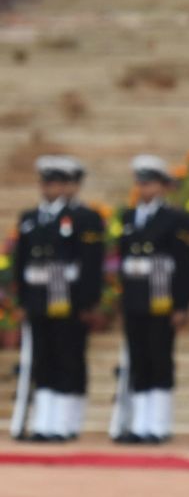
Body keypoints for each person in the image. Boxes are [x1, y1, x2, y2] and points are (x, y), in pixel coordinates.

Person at [9, 156, 104, 442]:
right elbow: (20, 263)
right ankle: (44, 421)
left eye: (57, 183)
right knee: (43, 359)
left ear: (70, 186)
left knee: (68, 357)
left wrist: (88, 303)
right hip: (38, 298)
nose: (50, 188)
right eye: (47, 182)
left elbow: (91, 264)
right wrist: (22, 302)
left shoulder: (84, 218)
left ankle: (64, 422)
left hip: (69, 299)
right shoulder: (30, 218)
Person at [109, 155, 189, 444]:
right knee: (139, 358)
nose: (144, 188)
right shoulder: (129, 217)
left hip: (162, 299)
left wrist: (182, 305)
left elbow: (183, 266)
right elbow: (123, 261)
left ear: (162, 186)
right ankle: (139, 423)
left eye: (150, 183)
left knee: (159, 358)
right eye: (140, 183)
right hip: (135, 298)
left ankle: (158, 424)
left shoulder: (175, 219)